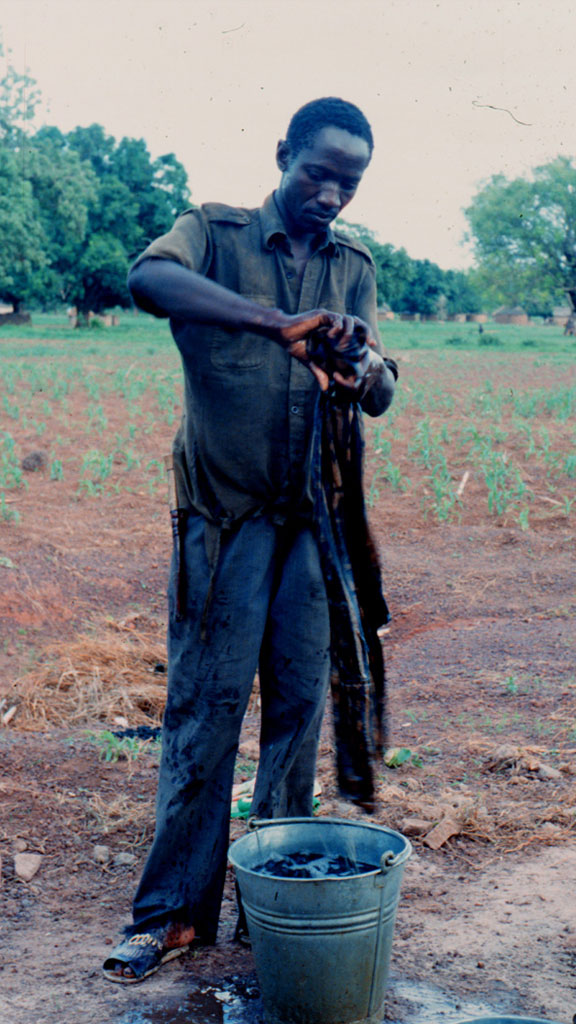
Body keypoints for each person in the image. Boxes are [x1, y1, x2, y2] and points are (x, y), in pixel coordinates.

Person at [103, 96, 397, 984]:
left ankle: (265, 905)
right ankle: (170, 916)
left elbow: (381, 388)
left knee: (296, 715)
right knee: (204, 715)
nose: (332, 196)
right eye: (319, 174)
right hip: (224, 526)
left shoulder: (353, 266)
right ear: (283, 157)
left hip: (311, 529)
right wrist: (275, 325)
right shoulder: (215, 235)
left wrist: (361, 363)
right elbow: (146, 280)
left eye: (349, 183)